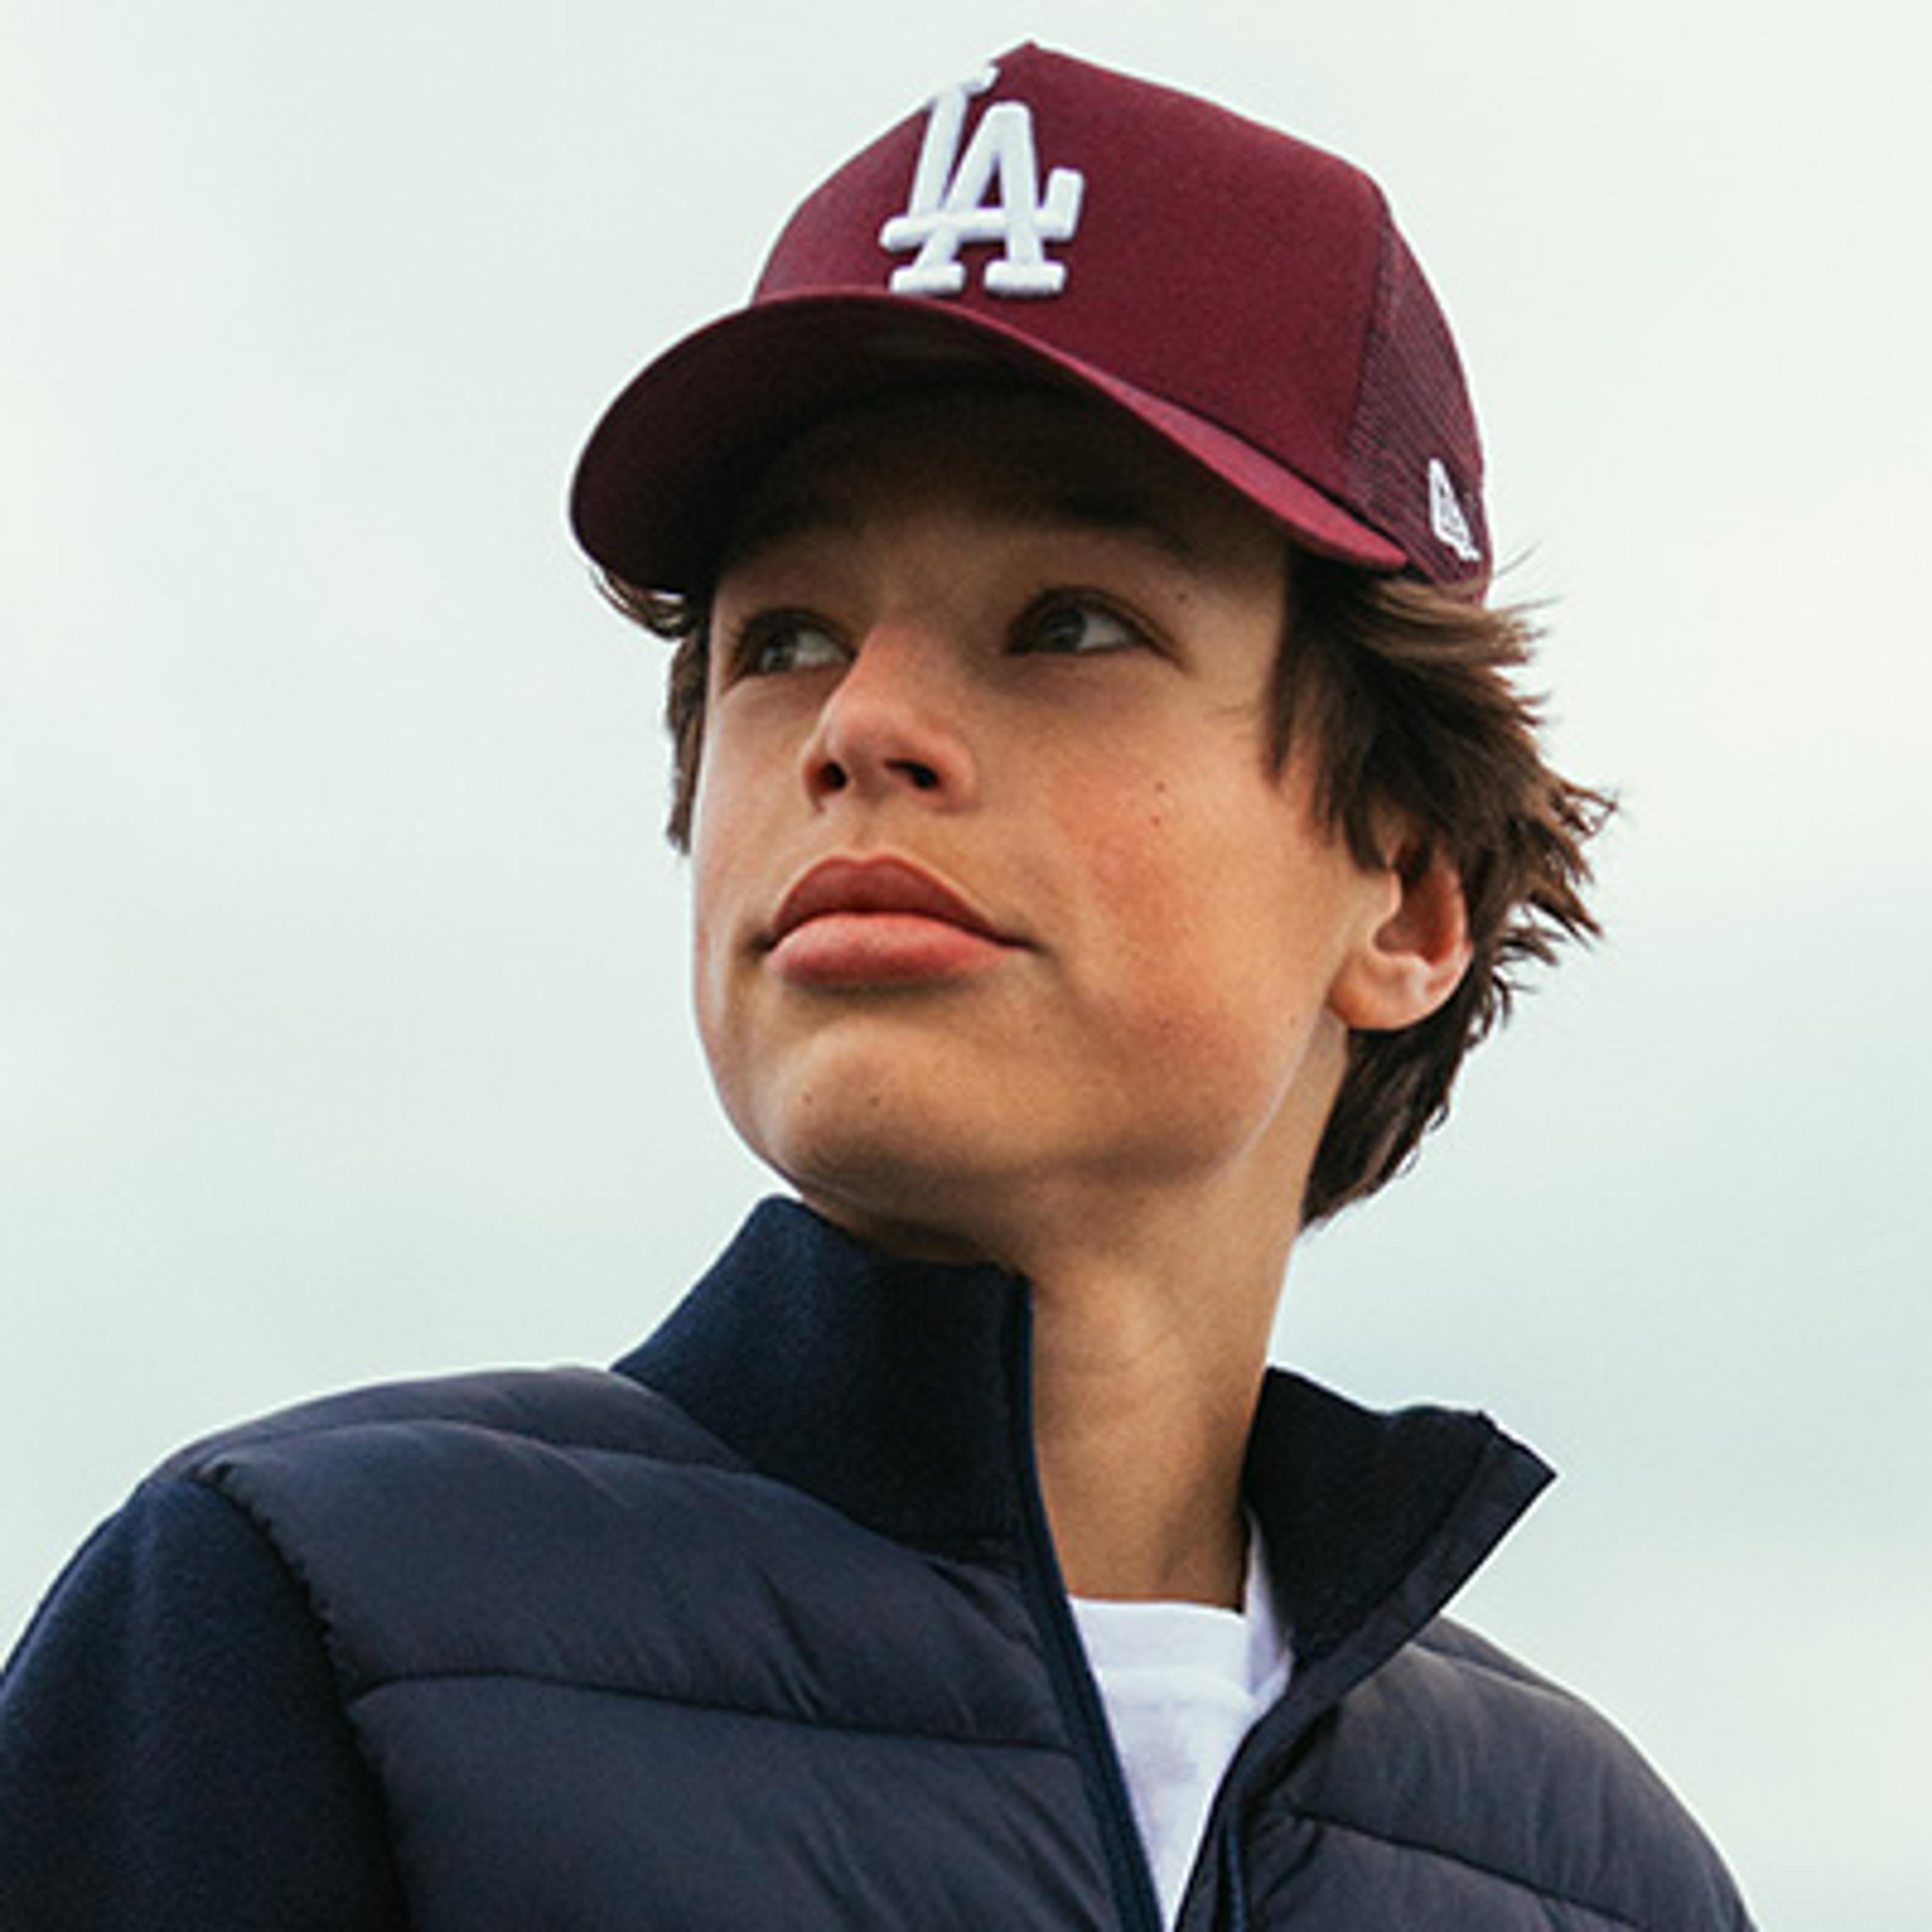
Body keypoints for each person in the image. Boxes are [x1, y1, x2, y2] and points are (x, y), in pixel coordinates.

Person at [0, 42, 1754, 1930]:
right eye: (787, 638)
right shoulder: (301, 1627)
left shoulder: (1598, 1875)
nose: (864, 723)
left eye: (1071, 622)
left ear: (1408, 895)